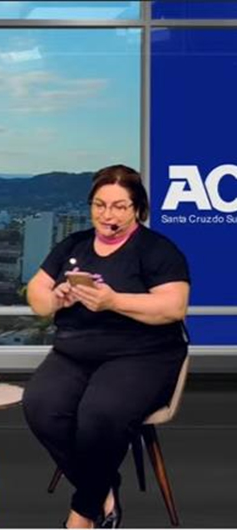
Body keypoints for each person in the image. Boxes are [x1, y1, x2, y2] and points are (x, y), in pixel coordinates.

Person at [22, 164, 190, 529]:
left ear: (137, 209)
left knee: (98, 414)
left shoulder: (158, 250)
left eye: (118, 206)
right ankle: (102, 489)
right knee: (40, 407)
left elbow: (174, 307)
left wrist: (113, 301)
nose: (107, 215)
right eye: (99, 205)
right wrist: (56, 298)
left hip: (142, 354)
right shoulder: (74, 244)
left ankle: (83, 513)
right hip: (75, 352)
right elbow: (36, 293)